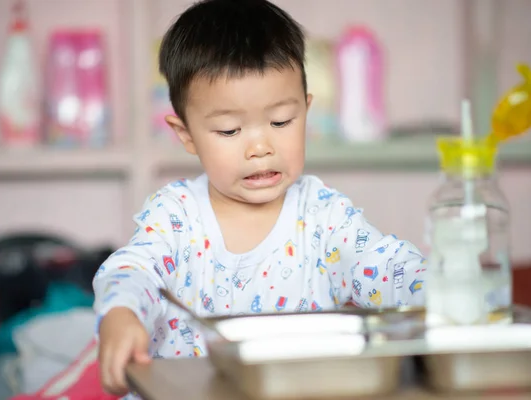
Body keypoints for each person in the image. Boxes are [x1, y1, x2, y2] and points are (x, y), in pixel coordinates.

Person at [94, 0, 426, 397]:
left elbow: (386, 266)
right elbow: (133, 270)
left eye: (281, 122)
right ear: (186, 135)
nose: (260, 147)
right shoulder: (176, 215)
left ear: (305, 109)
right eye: (230, 130)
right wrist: (121, 313)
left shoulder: (323, 216)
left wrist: (444, 288)